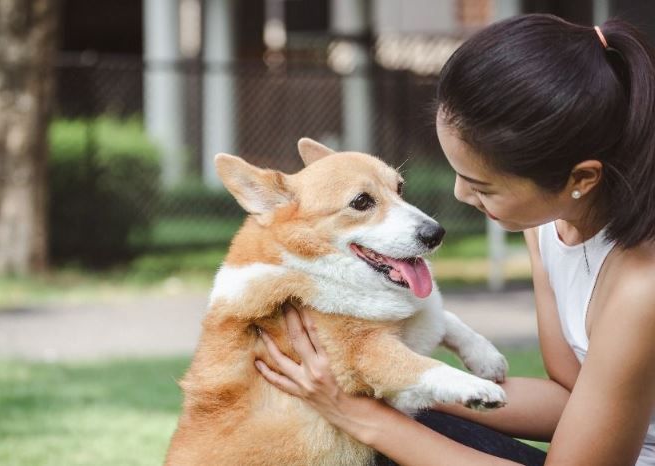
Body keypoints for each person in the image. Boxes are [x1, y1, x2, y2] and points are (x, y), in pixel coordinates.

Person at [254, 13, 655, 466]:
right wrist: (379, 378)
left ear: (580, 178)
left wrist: (357, 413)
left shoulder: (641, 286)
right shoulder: (548, 231)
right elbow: (569, 398)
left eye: (483, 187)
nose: (459, 195)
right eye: (459, 175)